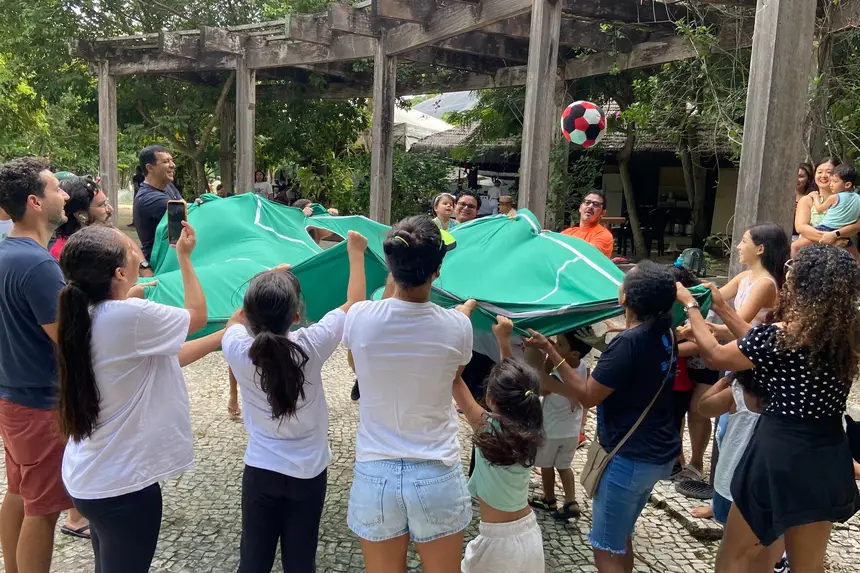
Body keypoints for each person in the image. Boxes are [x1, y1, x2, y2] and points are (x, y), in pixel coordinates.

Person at [676, 244, 860, 573]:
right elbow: (761, 345)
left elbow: (716, 356)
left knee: (734, 557)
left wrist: (691, 306)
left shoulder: (780, 336)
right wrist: (723, 308)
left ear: (803, 284)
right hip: (827, 454)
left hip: (778, 455)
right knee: (808, 566)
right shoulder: (847, 339)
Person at [57, 223, 222, 573]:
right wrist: (184, 258)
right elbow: (197, 317)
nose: (139, 255)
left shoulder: (84, 313)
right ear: (119, 273)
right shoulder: (129, 317)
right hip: (122, 487)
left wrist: (225, 334)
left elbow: (167, 356)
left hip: (90, 476)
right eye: (132, 250)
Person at [222, 231, 367, 573]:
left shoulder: (237, 348)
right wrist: (356, 252)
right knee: (301, 561)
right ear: (297, 316)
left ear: (249, 314)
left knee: (253, 561)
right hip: (309, 472)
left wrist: (269, 278)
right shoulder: (311, 344)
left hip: (261, 470)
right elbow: (354, 304)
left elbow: (235, 320)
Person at [526, 260, 680, 573]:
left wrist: (551, 351)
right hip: (656, 451)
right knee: (621, 537)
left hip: (629, 457)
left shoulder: (628, 342)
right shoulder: (667, 332)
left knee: (606, 546)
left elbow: (587, 395)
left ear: (626, 298)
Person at [344, 215, 469, 573]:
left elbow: (356, 364)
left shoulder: (359, 317)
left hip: (375, 472)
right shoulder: (458, 326)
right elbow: (454, 376)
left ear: (391, 265)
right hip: (436, 470)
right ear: (437, 271)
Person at [0, 157, 74, 573]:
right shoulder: (39, 265)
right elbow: (69, 339)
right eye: (55, 189)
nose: (64, 195)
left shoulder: (6, 252)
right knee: (43, 510)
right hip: (39, 404)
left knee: (19, 492)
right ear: (34, 202)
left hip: (11, 396)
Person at [453, 314, 546, 573]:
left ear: (491, 398)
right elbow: (514, 382)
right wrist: (503, 340)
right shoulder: (531, 423)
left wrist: (460, 324)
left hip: (498, 544)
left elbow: (455, 380)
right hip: (530, 535)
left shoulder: (488, 427)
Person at [527, 333, 591, 521]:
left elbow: (541, 387)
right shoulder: (583, 367)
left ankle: (549, 499)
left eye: (560, 344)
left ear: (574, 354)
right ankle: (571, 501)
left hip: (551, 431)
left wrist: (547, 357)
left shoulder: (558, 375)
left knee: (546, 465)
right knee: (564, 466)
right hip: (571, 432)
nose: (555, 345)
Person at [794, 158, 860, 260]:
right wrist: (833, 240)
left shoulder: (850, 200)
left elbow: (856, 226)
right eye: (819, 172)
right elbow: (801, 228)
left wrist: (834, 235)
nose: (823, 175)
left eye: (828, 172)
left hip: (840, 252)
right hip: (811, 252)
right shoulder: (807, 199)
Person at [133, 145, 181, 268]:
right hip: (159, 265)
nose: (172, 165)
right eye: (165, 161)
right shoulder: (150, 199)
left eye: (171, 160)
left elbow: (184, 206)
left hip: (173, 258)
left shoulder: (167, 186)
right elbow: (187, 216)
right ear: (150, 168)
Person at [49, 176, 113, 260]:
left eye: (106, 202)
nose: (110, 209)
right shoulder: (65, 256)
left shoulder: (94, 243)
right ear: (81, 215)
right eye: (101, 205)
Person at [561, 191, 614, 259]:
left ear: (603, 213)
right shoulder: (567, 232)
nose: (590, 206)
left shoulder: (604, 235)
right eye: (587, 202)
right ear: (580, 208)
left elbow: (587, 254)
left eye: (596, 204)